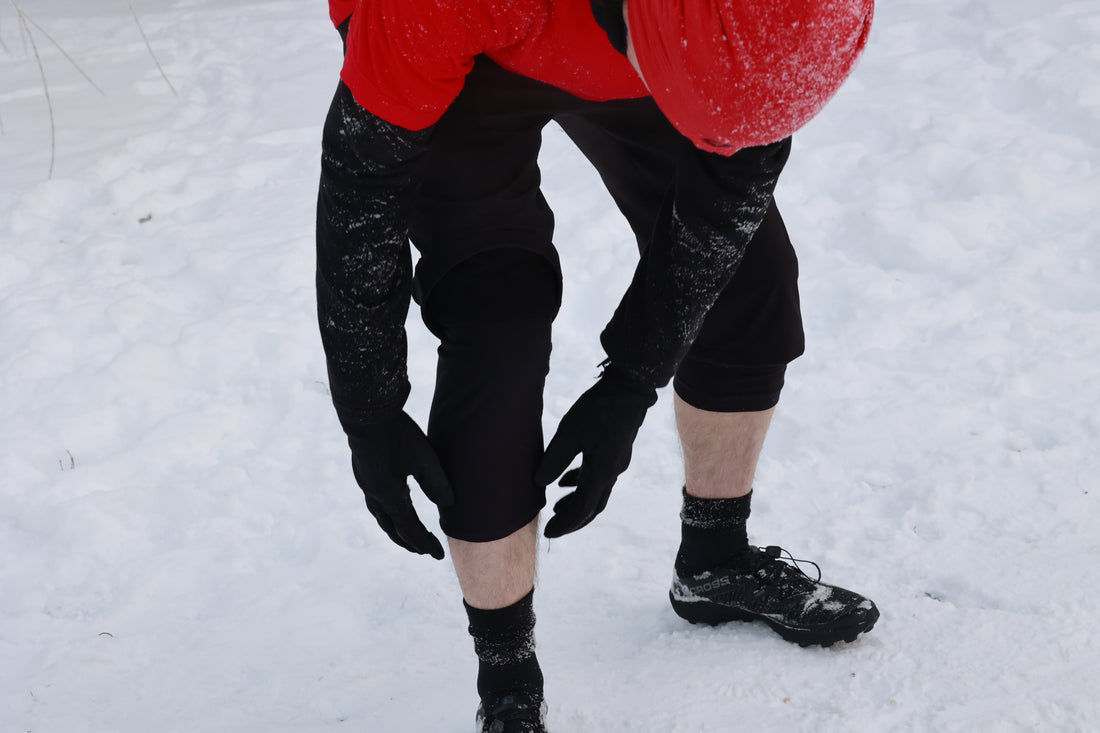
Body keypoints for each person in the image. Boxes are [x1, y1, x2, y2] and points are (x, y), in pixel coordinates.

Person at [316, 1, 878, 730]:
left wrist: (631, 379)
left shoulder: (781, 22)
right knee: (497, 321)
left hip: (656, 41)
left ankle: (713, 556)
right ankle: (507, 675)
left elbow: (726, 198)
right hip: (467, 48)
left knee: (746, 278)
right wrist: (368, 407)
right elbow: (363, 187)